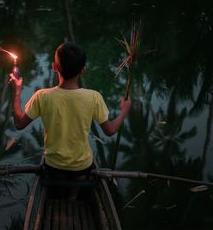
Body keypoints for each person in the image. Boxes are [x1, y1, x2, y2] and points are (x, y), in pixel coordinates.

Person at [8, 42, 131, 174]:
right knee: (83, 176)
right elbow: (110, 130)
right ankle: (74, 194)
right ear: (83, 70)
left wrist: (16, 93)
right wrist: (124, 111)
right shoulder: (93, 97)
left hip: (53, 166)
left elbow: (19, 124)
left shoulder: (42, 96)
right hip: (82, 167)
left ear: (54, 67)